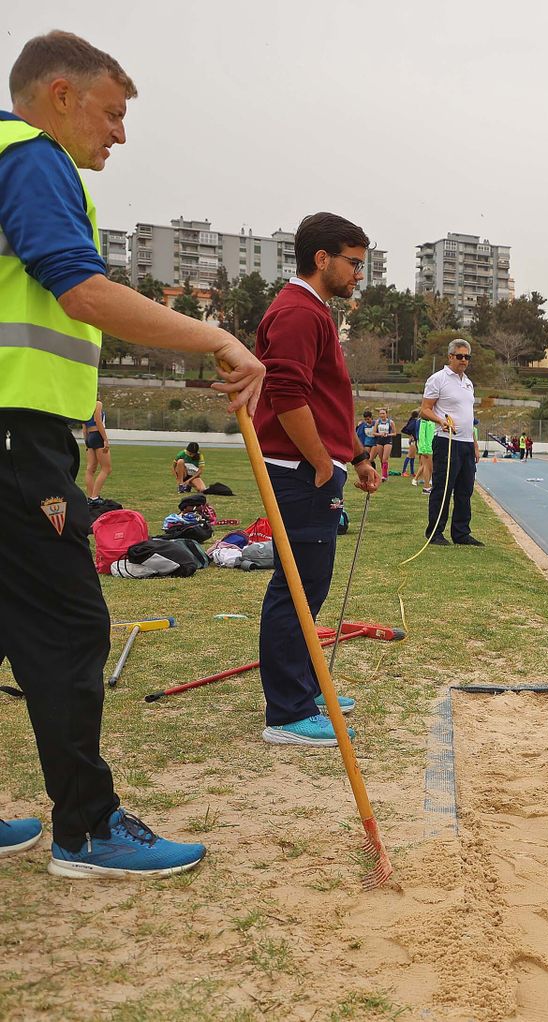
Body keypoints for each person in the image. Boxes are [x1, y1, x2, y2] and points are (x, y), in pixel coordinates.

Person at [0, 30, 265, 878]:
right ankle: (86, 830)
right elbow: (81, 286)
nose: (120, 134)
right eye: (112, 114)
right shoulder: (32, 156)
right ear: (61, 95)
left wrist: (87, 413)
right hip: (14, 441)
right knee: (69, 626)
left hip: (26, 426)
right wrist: (213, 335)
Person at [252, 212, 382, 746]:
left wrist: (355, 456)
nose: (359, 275)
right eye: (354, 263)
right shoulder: (298, 313)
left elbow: (328, 401)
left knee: (313, 585)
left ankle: (306, 686)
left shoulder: (316, 313)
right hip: (298, 471)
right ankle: (287, 712)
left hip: (316, 466)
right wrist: (322, 464)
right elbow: (288, 397)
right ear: (322, 258)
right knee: (298, 588)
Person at [420, 338, 481, 545]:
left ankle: (461, 533)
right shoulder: (438, 379)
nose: (464, 360)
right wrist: (440, 420)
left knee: (465, 489)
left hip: (465, 442)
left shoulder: (468, 382)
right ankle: (435, 532)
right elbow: (425, 409)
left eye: (467, 357)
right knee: (443, 488)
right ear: (450, 357)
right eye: (460, 356)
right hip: (447, 441)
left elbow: (468, 416)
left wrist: (474, 443)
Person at [82, 397, 110, 504]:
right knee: (106, 468)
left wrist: (87, 443)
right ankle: (94, 497)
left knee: (90, 469)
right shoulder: (97, 403)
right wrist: (105, 439)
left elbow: (84, 427)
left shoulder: (84, 406)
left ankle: (90, 497)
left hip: (89, 437)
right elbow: (98, 421)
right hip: (97, 435)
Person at [370, 406, 394, 480]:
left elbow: (395, 433)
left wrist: (387, 434)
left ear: (386, 414)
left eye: (383, 413)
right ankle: (384, 474)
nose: (382, 415)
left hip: (388, 441)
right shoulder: (377, 422)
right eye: (380, 414)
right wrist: (380, 434)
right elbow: (373, 433)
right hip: (379, 441)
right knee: (381, 459)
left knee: (384, 459)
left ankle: (384, 476)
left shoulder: (390, 422)